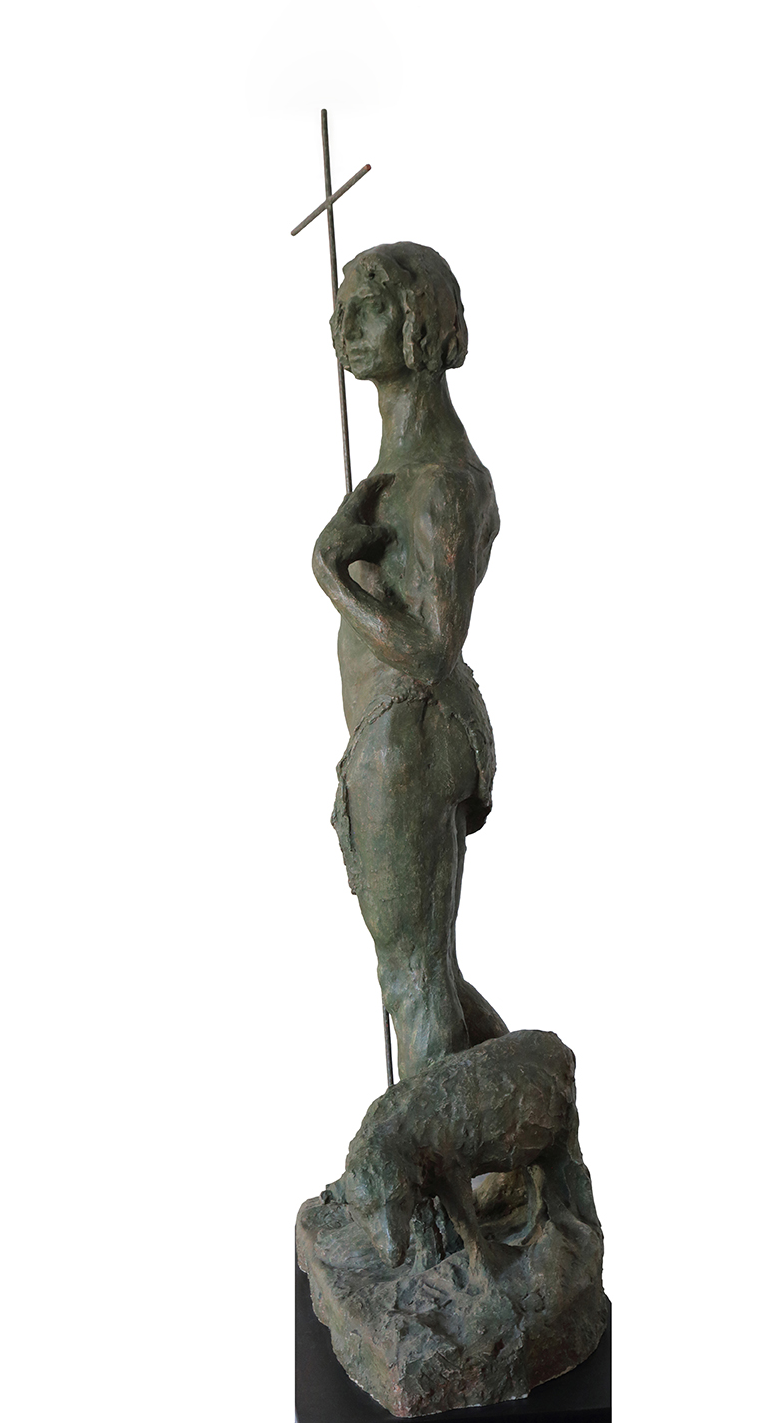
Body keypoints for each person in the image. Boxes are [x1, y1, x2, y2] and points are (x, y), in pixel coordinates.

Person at [313, 242, 507, 1081]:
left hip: (408, 732)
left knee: (412, 978)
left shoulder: (440, 480)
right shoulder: (394, 475)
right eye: (341, 308)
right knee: (426, 974)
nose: (343, 326)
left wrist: (329, 572)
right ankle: (520, 1123)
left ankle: (422, 1150)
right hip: (386, 736)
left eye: (370, 306)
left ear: (420, 321)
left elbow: (432, 647)